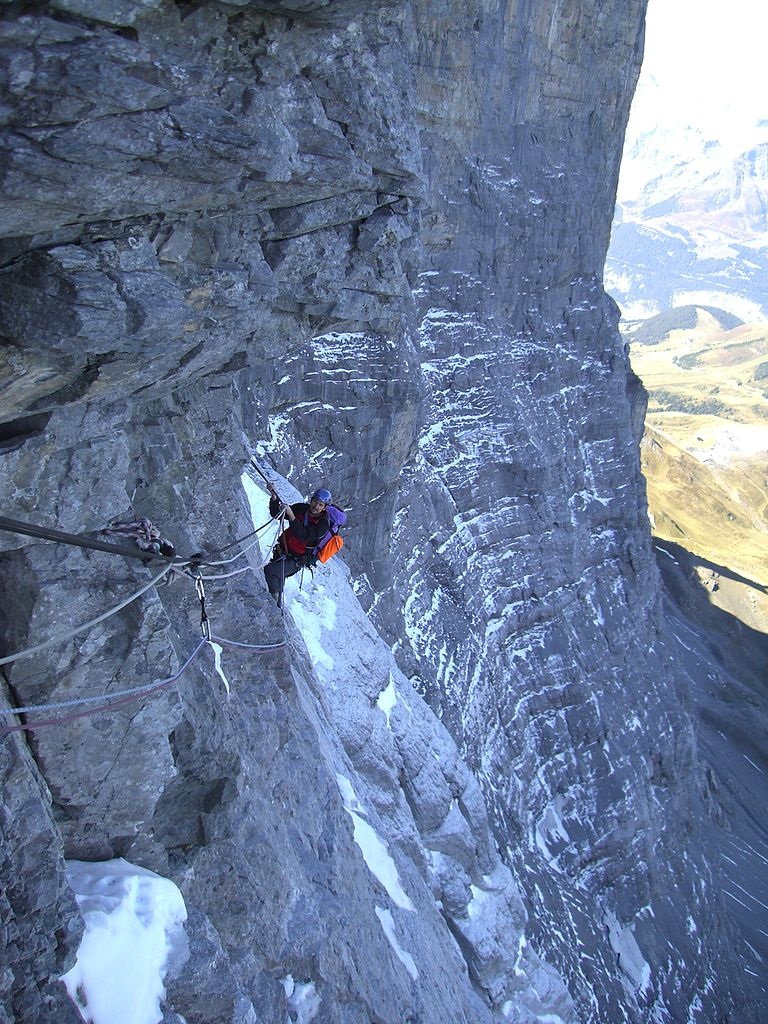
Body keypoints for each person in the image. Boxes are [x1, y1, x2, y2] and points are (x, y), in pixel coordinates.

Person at [264, 485, 334, 606]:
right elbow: (277, 514)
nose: (316, 506)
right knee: (277, 576)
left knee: (271, 571)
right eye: (315, 502)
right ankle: (276, 604)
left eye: (320, 505)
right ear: (311, 500)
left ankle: (273, 604)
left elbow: (303, 535)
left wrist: (291, 515)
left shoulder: (323, 524)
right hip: (282, 550)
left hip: (296, 559)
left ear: (325, 508)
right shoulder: (302, 508)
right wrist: (274, 497)